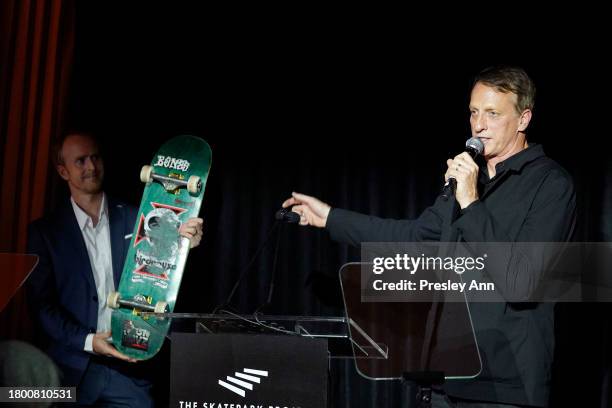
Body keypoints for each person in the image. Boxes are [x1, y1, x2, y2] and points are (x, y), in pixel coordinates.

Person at [282, 66, 576, 407]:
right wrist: (331, 217)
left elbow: (521, 281)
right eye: (473, 112)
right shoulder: (468, 182)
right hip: (445, 378)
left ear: (523, 119)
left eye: (493, 114)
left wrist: (471, 203)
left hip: (505, 388)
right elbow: (411, 237)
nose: (478, 125)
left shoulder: (550, 185)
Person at [27, 131, 203, 407]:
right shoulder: (45, 233)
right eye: (81, 161)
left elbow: (162, 271)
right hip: (69, 370)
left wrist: (184, 246)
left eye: (95, 157)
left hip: (129, 369)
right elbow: (42, 307)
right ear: (63, 172)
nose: (91, 167)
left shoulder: (137, 217)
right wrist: (88, 341)